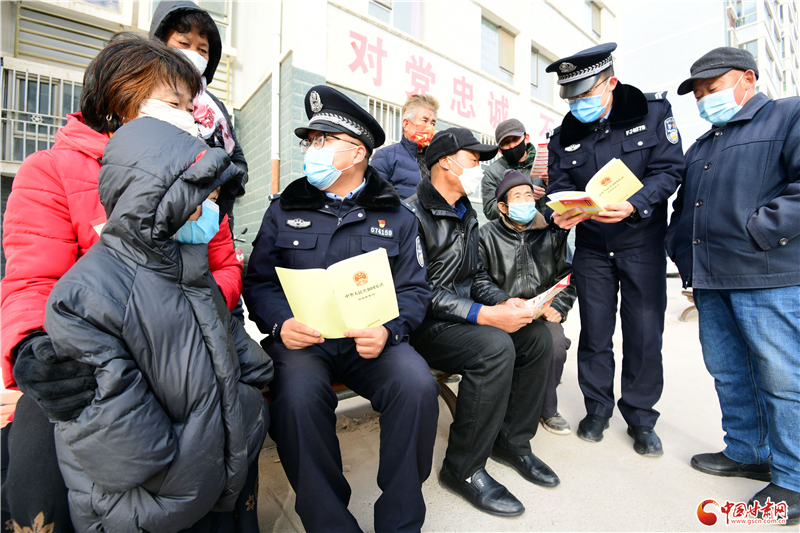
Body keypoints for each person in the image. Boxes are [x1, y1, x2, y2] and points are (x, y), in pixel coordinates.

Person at [0, 36, 245, 532]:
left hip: (185, 357)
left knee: (225, 449)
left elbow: (224, 266)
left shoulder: (199, 178)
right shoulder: (53, 171)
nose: (188, 118)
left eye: (190, 107)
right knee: (42, 472)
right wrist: (31, 349)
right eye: (173, 103)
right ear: (119, 100)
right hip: (95, 361)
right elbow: (33, 279)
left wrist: (188, 313)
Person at [243, 86, 439, 533]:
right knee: (296, 400)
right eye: (310, 141)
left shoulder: (398, 215)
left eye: (323, 140)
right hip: (304, 341)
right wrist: (280, 323)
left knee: (416, 386)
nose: (312, 149)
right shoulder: (284, 208)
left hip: (370, 338)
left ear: (357, 153)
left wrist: (390, 330)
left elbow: (414, 289)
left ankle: (401, 522)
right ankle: (331, 523)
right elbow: (259, 281)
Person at [667, 47, 799, 525]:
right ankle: (746, 450)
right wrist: (682, 253)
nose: (705, 98)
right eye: (698, 92)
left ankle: (794, 479)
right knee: (729, 370)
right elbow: (686, 208)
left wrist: (759, 231)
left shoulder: (787, 115)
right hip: (711, 277)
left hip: (767, 275)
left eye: (713, 87)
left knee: (782, 378)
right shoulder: (704, 144)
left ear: (747, 78)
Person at [407, 128, 557, 518]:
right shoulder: (411, 215)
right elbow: (417, 292)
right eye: (473, 160)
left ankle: (512, 442)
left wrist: (504, 302)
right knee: (494, 347)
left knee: (537, 336)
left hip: (463, 317)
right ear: (446, 162)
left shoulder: (466, 213)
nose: (479, 169)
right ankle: (463, 467)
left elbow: (475, 277)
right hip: (424, 325)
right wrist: (485, 315)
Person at [545, 43, 684, 456]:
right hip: (592, 247)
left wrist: (635, 204)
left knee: (643, 334)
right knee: (595, 332)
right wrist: (562, 212)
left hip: (641, 243)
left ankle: (641, 418)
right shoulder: (564, 136)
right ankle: (597, 409)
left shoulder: (651, 113)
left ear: (611, 84)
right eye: (571, 99)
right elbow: (558, 186)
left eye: (585, 95)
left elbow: (669, 169)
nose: (578, 106)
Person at [479, 170, 577, 435]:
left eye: (528, 196)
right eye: (517, 197)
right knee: (498, 350)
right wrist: (502, 301)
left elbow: (568, 276)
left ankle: (547, 409)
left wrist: (559, 306)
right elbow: (478, 279)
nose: (525, 202)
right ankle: (503, 408)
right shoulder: (485, 236)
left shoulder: (551, 233)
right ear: (503, 206)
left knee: (555, 344)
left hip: (541, 312)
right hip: (503, 312)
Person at [151, 0, 248, 231]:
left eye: (202, 50)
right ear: (161, 42)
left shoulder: (215, 106)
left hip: (213, 219)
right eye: (183, 43)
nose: (193, 54)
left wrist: (222, 182)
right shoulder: (146, 92)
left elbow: (237, 159)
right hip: (162, 214)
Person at [371, 93, 439, 199]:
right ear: (406, 124)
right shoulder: (385, 156)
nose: (429, 127)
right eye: (424, 121)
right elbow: (374, 199)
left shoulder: (436, 162)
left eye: (433, 124)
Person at [481, 119, 547, 220]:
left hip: (546, 227)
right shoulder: (492, 172)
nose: (512, 145)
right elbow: (490, 210)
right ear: (500, 149)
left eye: (516, 139)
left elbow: (563, 196)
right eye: (506, 142)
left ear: (526, 138)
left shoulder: (545, 162)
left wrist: (551, 184)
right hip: (511, 230)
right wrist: (518, 197)